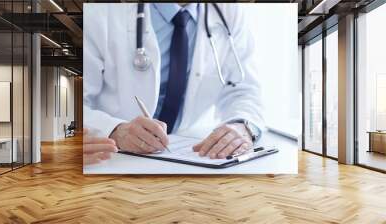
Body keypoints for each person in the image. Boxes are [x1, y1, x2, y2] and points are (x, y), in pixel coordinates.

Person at [84, 3, 264, 160]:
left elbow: (243, 90)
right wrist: (114, 129)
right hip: (113, 156)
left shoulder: (229, 13)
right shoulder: (102, 13)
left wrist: (243, 126)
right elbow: (69, 105)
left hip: (188, 152)